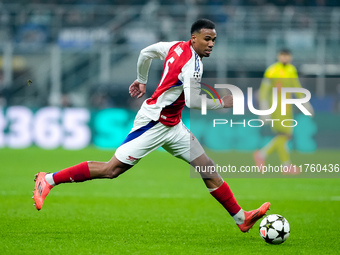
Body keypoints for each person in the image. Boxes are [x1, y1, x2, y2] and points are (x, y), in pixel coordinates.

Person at [34, 19, 270, 232]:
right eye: (207, 39)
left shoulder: (176, 47)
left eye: (214, 40)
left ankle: (241, 218)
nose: (211, 44)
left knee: (206, 167)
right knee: (111, 170)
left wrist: (141, 79)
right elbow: (193, 101)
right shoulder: (194, 64)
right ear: (194, 38)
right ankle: (49, 179)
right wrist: (222, 102)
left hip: (173, 125)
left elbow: (146, 52)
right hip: (154, 122)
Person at [253, 49, 314, 172]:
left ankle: (263, 155)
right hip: (275, 106)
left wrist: (305, 103)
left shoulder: (291, 70)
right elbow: (264, 90)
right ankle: (284, 164)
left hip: (287, 106)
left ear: (290, 57)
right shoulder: (272, 70)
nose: (285, 58)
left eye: (287, 56)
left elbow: (296, 87)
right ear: (278, 56)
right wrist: (264, 108)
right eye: (283, 56)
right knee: (284, 135)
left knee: (285, 136)